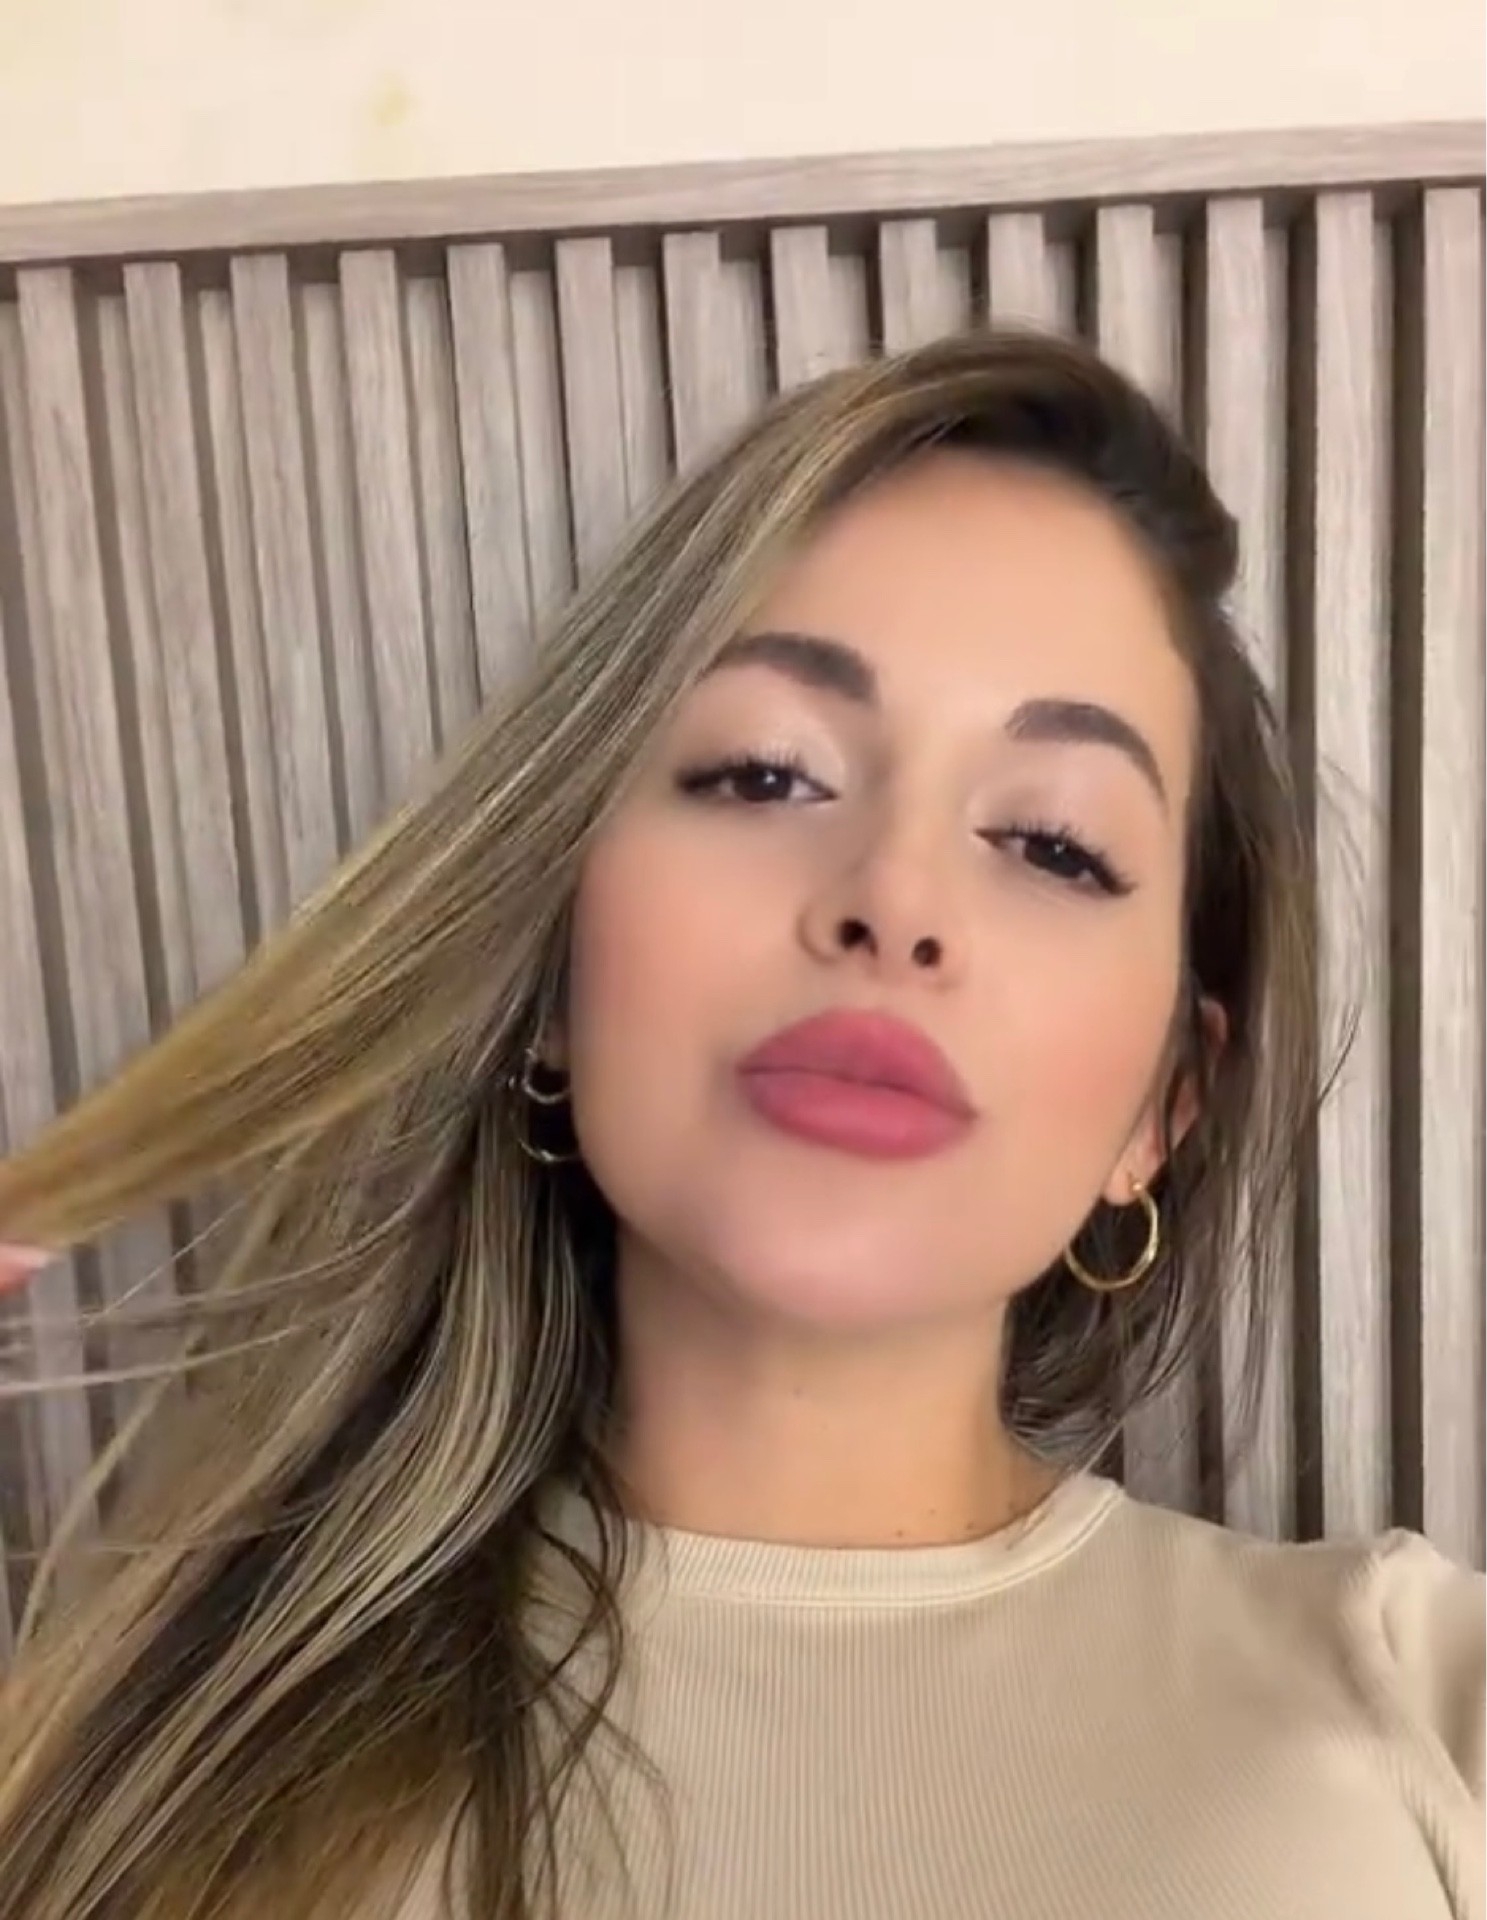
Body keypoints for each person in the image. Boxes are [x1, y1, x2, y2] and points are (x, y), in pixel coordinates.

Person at [0, 333, 1479, 1920]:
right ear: (551, 976)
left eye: (1054, 844)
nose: (894, 899)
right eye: (766, 775)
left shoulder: (1421, 1705)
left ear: (1161, 1109)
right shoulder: (135, 1774)